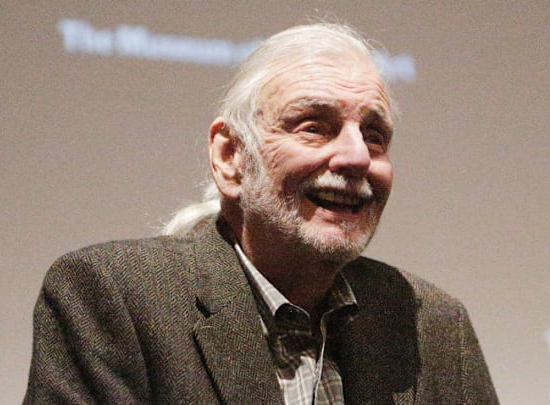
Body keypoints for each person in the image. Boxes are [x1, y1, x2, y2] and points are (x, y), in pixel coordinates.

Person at [24, 23, 498, 404]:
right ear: (230, 156)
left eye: (374, 136)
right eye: (315, 127)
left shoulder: (432, 324)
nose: (356, 157)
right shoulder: (115, 298)